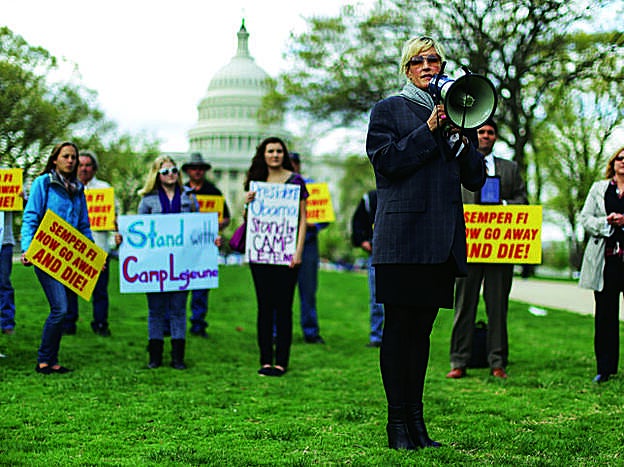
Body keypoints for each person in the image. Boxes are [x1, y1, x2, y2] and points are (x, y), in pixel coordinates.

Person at [366, 36, 486, 449]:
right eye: (419, 60)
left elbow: (475, 178)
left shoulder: (459, 115)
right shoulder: (389, 109)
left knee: (421, 333)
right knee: (399, 330)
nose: (428, 66)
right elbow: (387, 162)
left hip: (441, 240)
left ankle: (417, 426)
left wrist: (458, 134)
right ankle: (396, 425)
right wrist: (429, 129)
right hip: (402, 239)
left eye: (434, 59)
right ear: (407, 69)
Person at [447, 119, 528, 380]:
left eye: (490, 132)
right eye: (481, 131)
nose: (485, 136)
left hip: (499, 249)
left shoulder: (510, 169)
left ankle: (497, 361)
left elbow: (523, 201)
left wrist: (503, 205)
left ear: (495, 137)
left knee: (497, 307)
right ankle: (459, 361)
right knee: (464, 306)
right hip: (469, 248)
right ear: (475, 134)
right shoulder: (458, 163)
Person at [21, 141, 94, 374]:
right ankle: (44, 360)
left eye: (74, 157)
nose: (71, 161)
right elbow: (31, 217)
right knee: (60, 309)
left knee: (64, 310)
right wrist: (27, 248)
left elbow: (84, 226)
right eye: (66, 156)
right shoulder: (43, 183)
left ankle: (51, 360)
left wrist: (93, 257)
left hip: (70, 259)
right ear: (55, 159)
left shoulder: (78, 189)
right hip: (46, 254)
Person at [243, 137, 308, 377]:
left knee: (283, 308)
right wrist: (247, 204)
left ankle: (281, 360)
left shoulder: (295, 181)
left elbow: (303, 219)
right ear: (263, 154)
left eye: (279, 151)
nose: (275, 155)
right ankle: (264, 359)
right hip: (261, 254)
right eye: (270, 151)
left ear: (285, 154)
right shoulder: (256, 182)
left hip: (287, 254)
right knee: (264, 307)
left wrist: (298, 252)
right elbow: (251, 221)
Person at [136, 155, 199, 370]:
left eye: (174, 170)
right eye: (165, 171)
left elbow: (197, 228)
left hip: (182, 263)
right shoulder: (147, 200)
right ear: (156, 175)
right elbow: (139, 232)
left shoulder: (189, 198)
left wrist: (211, 239)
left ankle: (178, 357)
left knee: (179, 309)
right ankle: (155, 356)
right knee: (156, 310)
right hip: (155, 265)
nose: (171, 174)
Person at [578, 145, 624, 383]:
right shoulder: (599, 188)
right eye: (620, 158)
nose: (623, 162)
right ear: (613, 162)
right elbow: (585, 218)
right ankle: (604, 368)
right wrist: (607, 223)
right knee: (605, 316)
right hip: (605, 261)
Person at [63, 150, 117, 336]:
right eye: (81, 165)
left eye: (88, 165)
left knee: (100, 291)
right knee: (70, 288)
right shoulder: (67, 188)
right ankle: (69, 323)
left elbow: (113, 217)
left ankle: (101, 324)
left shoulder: (104, 188)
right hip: (73, 247)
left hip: (99, 247)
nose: (84, 169)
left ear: (94, 168)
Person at [181, 152, 231, 338]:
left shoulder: (214, 192)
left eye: (200, 168)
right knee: (181, 283)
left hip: (205, 246)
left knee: (201, 285)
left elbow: (226, 217)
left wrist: (216, 225)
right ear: (188, 171)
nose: (197, 171)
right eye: (194, 168)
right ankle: (176, 320)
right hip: (184, 246)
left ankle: (198, 322)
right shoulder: (181, 191)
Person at [289, 152, 326, 344]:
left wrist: (315, 224)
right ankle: (277, 332)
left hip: (309, 244)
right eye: (290, 163)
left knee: (308, 291)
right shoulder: (278, 187)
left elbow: (325, 218)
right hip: (284, 243)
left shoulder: (313, 186)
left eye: (295, 163)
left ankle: (311, 331)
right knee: (281, 292)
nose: (293, 166)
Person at [351, 189, 384, 348]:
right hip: (376, 253)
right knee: (376, 297)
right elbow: (357, 222)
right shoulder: (370, 198)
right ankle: (377, 336)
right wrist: (363, 241)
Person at [0, 157, 23, 336]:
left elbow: (27, 205)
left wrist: (22, 197)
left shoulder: (8, 179)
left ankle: (7, 323)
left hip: (4, 241)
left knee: (4, 283)